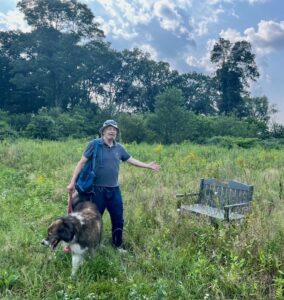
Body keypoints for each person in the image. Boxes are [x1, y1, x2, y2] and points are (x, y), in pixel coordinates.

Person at [67, 119, 160, 251]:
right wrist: (72, 183)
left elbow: (131, 160)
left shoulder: (119, 148)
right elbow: (81, 163)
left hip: (114, 190)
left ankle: (117, 245)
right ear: (103, 131)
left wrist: (147, 166)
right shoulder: (94, 144)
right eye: (109, 128)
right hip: (96, 191)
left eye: (114, 129)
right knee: (94, 220)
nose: (112, 131)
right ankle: (92, 246)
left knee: (118, 218)